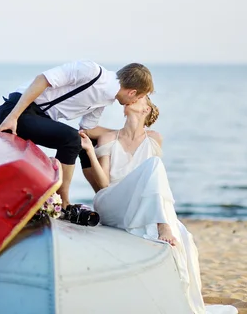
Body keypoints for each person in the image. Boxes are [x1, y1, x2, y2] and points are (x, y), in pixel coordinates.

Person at [80, 96, 238, 314]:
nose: (132, 99)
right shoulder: (107, 137)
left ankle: (165, 223)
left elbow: (152, 182)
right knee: (155, 166)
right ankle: (163, 224)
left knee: (180, 229)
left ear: (146, 109)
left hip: (136, 204)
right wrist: (90, 151)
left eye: (141, 98)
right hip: (111, 201)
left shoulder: (154, 139)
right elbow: (104, 184)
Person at [0, 60, 154, 208]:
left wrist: (124, 133)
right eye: (139, 96)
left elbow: (87, 130)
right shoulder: (90, 71)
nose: (135, 101)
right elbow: (42, 79)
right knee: (71, 139)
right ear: (132, 92)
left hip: (38, 117)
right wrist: (13, 117)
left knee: (83, 142)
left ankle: (105, 199)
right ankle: (62, 201)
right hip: (17, 111)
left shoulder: (105, 100)